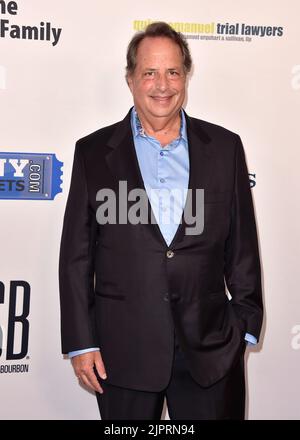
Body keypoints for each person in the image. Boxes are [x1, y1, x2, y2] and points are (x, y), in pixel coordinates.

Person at [59, 21, 264, 420]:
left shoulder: (225, 148)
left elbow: (242, 247)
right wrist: (83, 343)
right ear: (131, 79)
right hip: (123, 352)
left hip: (211, 350)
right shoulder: (94, 152)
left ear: (186, 76)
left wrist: (246, 324)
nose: (162, 85)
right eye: (149, 72)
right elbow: (76, 257)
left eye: (173, 72)